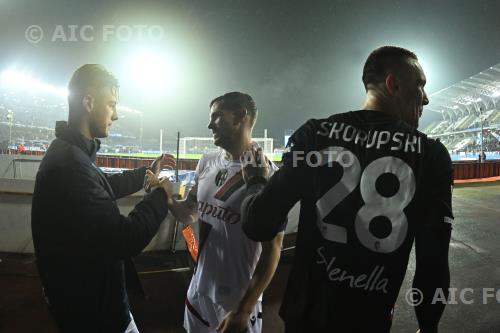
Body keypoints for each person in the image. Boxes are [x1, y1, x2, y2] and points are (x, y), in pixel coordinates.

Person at [240, 46, 454, 332]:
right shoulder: (431, 154)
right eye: (420, 85)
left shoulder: (313, 135)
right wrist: (429, 326)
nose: (426, 98)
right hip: (369, 322)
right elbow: (433, 262)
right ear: (393, 84)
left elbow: (258, 225)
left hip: (305, 319)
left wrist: (255, 180)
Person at [31, 64, 175, 333]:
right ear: (88, 102)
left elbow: (100, 185)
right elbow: (125, 238)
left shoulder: (70, 154)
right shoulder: (69, 165)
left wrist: (145, 173)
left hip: (85, 302)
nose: (116, 115)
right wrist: (159, 195)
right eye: (111, 104)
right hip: (94, 315)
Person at [160, 92, 283, 333]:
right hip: (198, 290)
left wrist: (244, 309)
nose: (209, 125)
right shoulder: (206, 161)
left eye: (217, 117)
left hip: (235, 302)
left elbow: (273, 250)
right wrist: (166, 196)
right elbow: (190, 214)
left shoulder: (269, 175)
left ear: (240, 116)